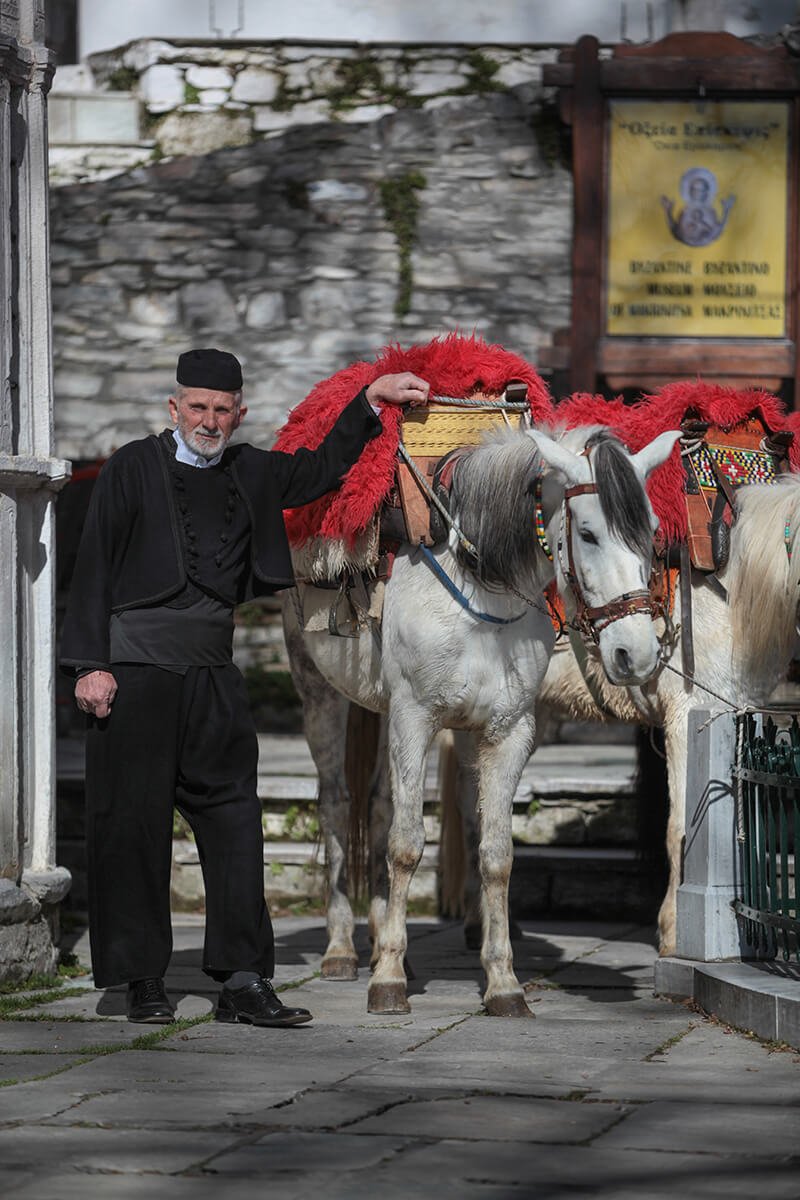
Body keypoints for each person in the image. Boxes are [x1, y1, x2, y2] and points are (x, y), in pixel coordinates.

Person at [60, 347, 429, 1026]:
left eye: (221, 409)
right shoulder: (131, 468)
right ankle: (142, 980)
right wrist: (89, 665)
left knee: (235, 825)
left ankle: (242, 979)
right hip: (133, 675)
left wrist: (372, 400)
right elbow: (92, 565)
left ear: (239, 413)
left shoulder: (251, 469)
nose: (208, 419)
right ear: (175, 408)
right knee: (132, 827)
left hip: (212, 678)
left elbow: (319, 470)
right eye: (196, 406)